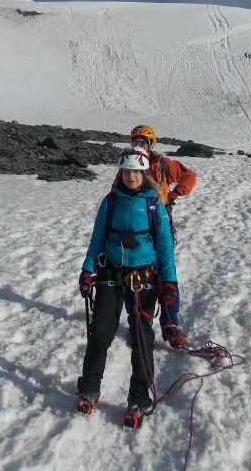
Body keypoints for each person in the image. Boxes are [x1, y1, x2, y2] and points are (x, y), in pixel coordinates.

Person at [75, 146, 178, 429]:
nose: (131, 176)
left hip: (143, 277)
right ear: (120, 172)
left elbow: (165, 247)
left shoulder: (153, 204)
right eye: (127, 171)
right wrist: (87, 269)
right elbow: (97, 239)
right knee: (101, 333)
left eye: (136, 172)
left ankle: (139, 398)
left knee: (142, 339)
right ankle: (89, 388)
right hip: (110, 272)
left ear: (144, 173)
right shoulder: (110, 202)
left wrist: (169, 282)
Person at [119, 124, 197, 347]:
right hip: (137, 229)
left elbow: (189, 176)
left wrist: (173, 194)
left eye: (142, 142)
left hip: (161, 224)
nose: (138, 146)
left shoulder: (162, 163)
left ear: (150, 144)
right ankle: (139, 325)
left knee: (164, 270)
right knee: (137, 276)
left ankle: (170, 323)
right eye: (135, 142)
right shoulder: (128, 164)